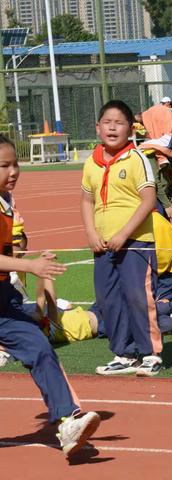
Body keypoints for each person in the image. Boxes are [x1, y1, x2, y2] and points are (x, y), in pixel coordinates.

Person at [0, 134, 100, 457]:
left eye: (16, 163)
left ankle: (67, 421)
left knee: (40, 346)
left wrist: (29, 262)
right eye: (5, 165)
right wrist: (30, 265)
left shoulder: (6, 202)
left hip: (3, 299)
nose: (14, 171)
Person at [81, 99, 163, 377]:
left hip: (136, 243)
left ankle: (150, 353)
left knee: (138, 296)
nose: (112, 127)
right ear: (97, 127)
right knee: (108, 299)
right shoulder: (91, 163)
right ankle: (124, 353)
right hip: (102, 245)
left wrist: (124, 234)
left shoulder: (137, 159)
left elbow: (148, 199)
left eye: (119, 122)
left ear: (131, 128)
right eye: (107, 122)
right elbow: (86, 199)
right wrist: (92, 233)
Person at [137, 104, 172, 219]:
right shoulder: (147, 152)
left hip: (164, 201)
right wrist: (167, 204)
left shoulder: (162, 149)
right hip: (155, 204)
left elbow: (168, 176)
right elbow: (155, 182)